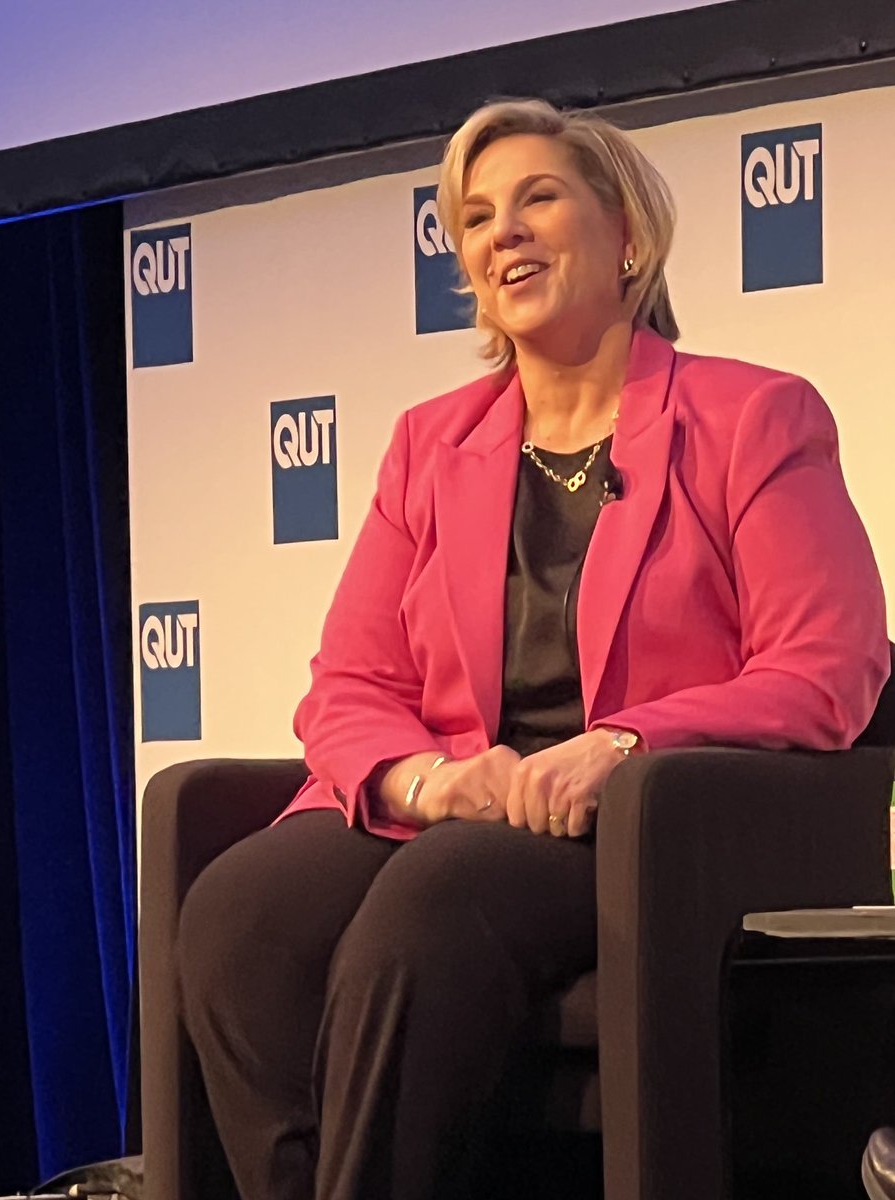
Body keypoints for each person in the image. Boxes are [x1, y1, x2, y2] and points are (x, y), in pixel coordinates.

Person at [176, 99, 890, 1200]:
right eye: (475, 216)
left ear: (628, 237)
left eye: (537, 199)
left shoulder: (754, 418)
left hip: (643, 817)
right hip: (460, 797)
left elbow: (828, 670)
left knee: (434, 904)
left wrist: (621, 744)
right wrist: (427, 778)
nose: (501, 231)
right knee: (241, 912)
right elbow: (352, 683)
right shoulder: (431, 444)